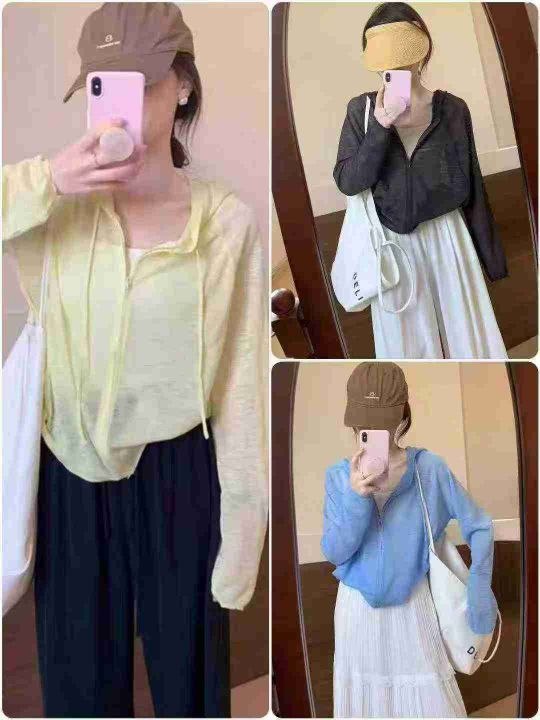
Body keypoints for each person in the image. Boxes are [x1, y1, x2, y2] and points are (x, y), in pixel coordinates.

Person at [2, 3, 267, 717]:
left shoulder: (227, 225)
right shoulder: (56, 210)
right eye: (102, 85)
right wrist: (48, 180)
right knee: (80, 691)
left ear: (183, 85)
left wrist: (244, 526)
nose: (116, 105)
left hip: (181, 476)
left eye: (139, 83)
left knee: (190, 688)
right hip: (70, 473)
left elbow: (240, 382)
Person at [321, 362, 499, 718]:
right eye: (366, 423)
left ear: (402, 416)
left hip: (413, 608)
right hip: (357, 613)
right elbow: (336, 552)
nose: (374, 431)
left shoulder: (429, 469)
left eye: (382, 421)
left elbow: (479, 525)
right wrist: (357, 498)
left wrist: (479, 588)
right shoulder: (339, 476)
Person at [333, 2, 508, 359]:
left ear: (421, 47)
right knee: (407, 348)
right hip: (391, 246)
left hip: (449, 237)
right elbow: (349, 181)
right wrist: (381, 125)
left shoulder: (452, 109)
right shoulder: (361, 111)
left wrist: (493, 262)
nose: (396, 65)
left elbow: (472, 185)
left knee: (468, 339)